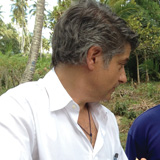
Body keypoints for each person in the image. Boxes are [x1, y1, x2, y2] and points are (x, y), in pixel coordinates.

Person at [0, 0, 139, 159]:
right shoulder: (17, 112)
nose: (124, 78)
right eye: (120, 65)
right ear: (93, 57)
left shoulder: (106, 119)